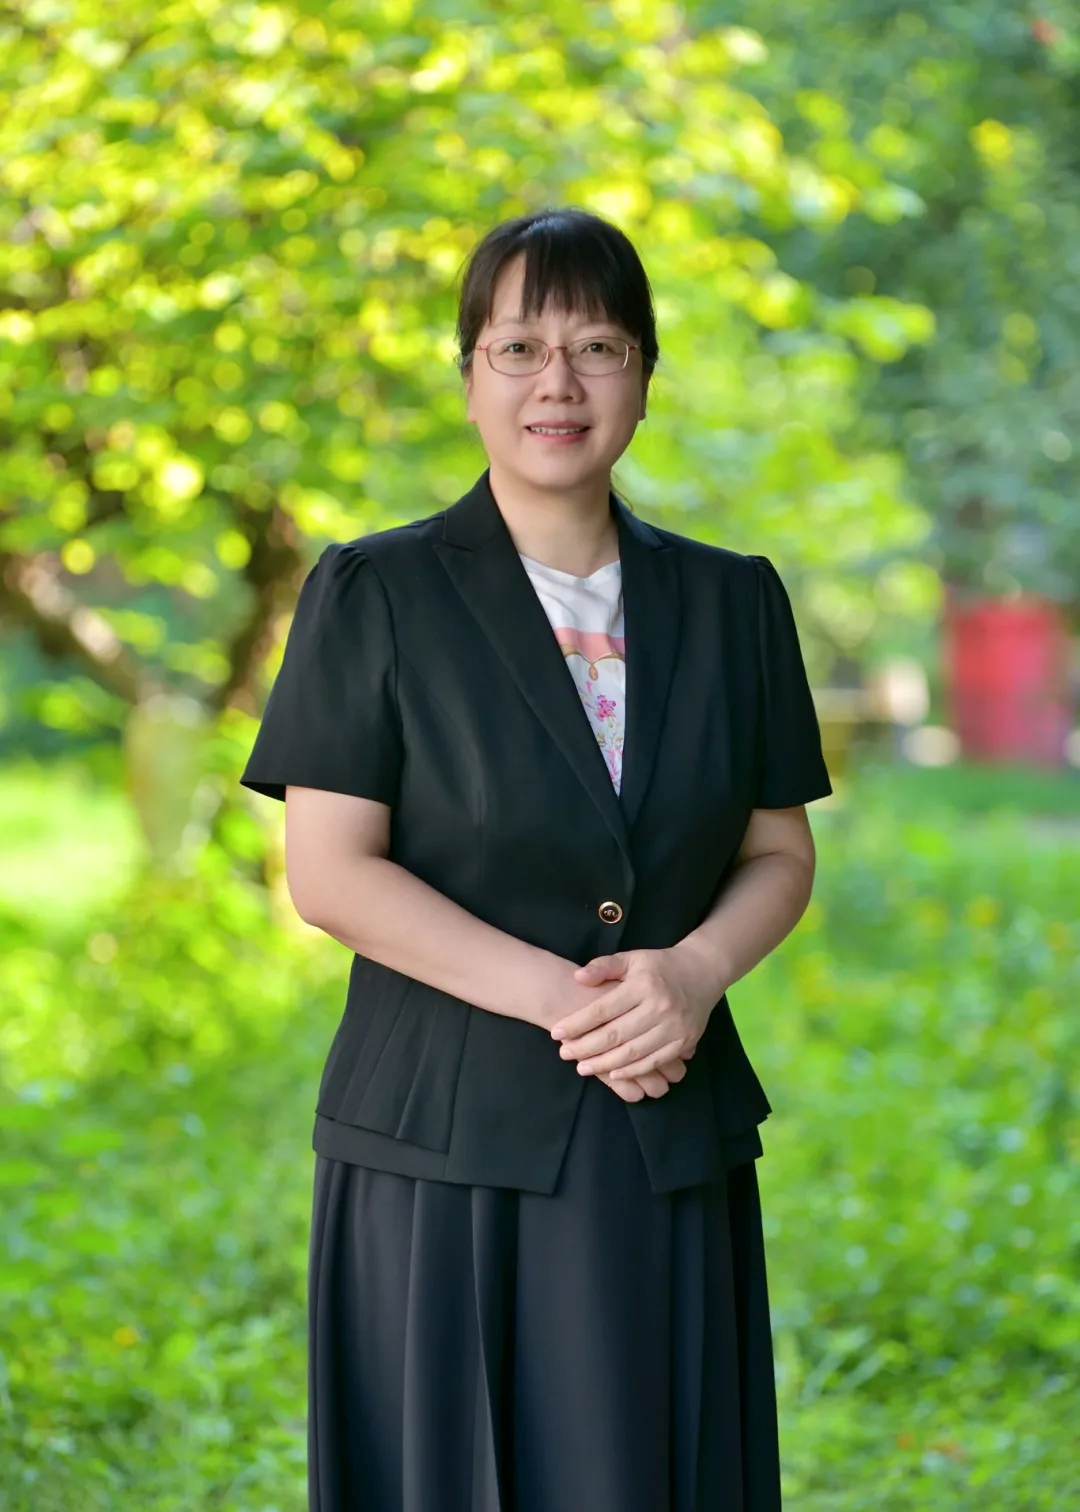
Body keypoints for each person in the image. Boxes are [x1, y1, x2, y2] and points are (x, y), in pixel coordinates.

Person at [240, 205, 833, 1512]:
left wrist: (691, 974)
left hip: (664, 1126)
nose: (557, 382)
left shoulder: (733, 600)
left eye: (598, 347)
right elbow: (332, 871)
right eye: (518, 348)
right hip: (439, 1140)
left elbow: (776, 850)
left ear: (645, 377)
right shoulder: (374, 592)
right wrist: (572, 1001)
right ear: (469, 377)